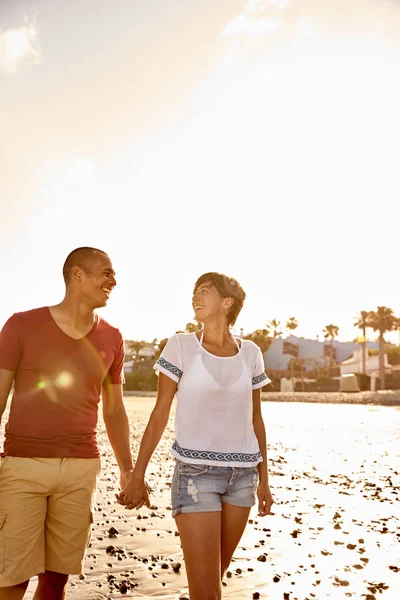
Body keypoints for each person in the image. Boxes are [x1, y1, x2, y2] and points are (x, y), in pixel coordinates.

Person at [117, 272, 274, 600]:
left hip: (243, 478)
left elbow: (255, 418)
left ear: (227, 302)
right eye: (195, 292)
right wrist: (137, 474)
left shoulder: (251, 353)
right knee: (207, 592)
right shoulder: (180, 345)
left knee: (212, 582)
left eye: (205, 291)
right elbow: (160, 413)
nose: (196, 297)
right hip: (195, 476)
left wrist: (265, 479)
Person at [0, 247, 134, 600]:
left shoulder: (113, 337)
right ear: (77, 274)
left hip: (81, 468)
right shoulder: (21, 324)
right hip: (22, 465)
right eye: (106, 273)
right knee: (11, 577)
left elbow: (115, 411)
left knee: (57, 578)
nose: (113, 280)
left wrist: (127, 469)